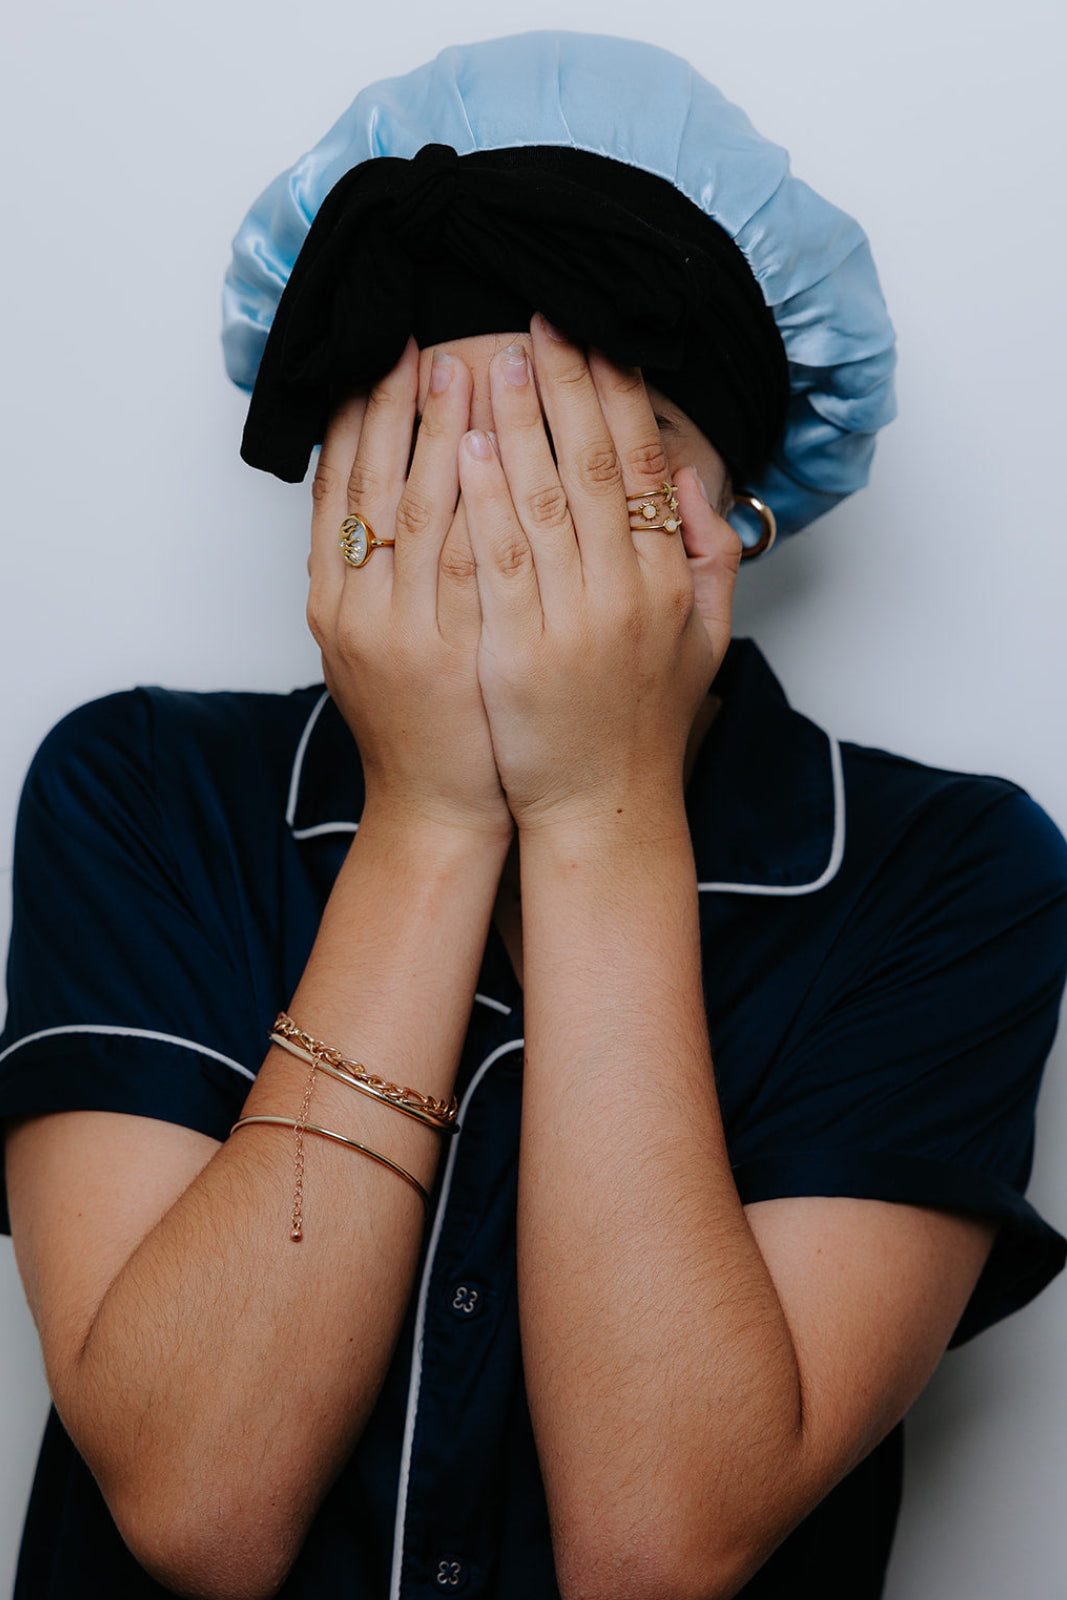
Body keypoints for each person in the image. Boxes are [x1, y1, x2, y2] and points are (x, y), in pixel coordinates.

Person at [1, 29, 1065, 1600]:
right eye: (435, 464)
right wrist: (432, 812)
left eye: (576, 481)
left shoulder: (945, 876)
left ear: (727, 523)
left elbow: (657, 1545)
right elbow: (199, 1502)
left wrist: (597, 804)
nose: (500, 540)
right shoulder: (143, 793)